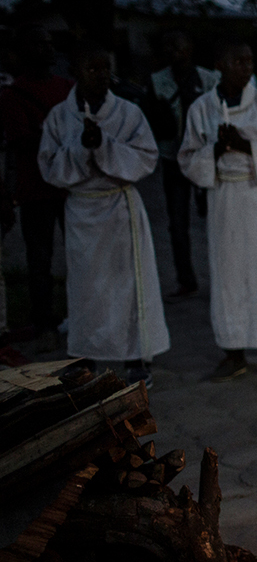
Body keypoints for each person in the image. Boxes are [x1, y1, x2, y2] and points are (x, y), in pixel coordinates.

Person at [37, 43, 168, 386]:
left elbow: (146, 157)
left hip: (120, 206)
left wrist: (106, 146)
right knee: (85, 287)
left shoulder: (128, 112)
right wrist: (81, 147)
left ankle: (136, 358)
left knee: (129, 284)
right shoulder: (58, 116)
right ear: (76, 72)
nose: (101, 75)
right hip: (82, 209)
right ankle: (84, 356)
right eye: (92, 69)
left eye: (105, 68)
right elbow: (48, 165)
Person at [177, 40, 257, 382]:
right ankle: (233, 351)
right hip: (225, 198)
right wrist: (217, 150)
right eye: (237, 61)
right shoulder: (202, 108)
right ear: (220, 62)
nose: (245, 68)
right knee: (228, 274)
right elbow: (187, 158)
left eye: (249, 61)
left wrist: (246, 146)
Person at [0, 24, 72, 339]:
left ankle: (79, 313)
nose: (49, 50)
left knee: (79, 253)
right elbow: (22, 140)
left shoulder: (67, 87)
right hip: (35, 189)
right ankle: (43, 322)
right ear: (24, 50)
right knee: (39, 260)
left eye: (50, 44)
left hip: (70, 187)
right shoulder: (12, 94)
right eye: (41, 44)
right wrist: (59, 134)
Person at [148, 32, 221, 302]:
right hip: (173, 159)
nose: (174, 51)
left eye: (179, 45)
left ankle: (223, 274)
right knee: (177, 225)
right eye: (170, 45)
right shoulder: (158, 81)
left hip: (204, 158)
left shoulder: (208, 79)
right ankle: (186, 280)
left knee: (215, 218)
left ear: (190, 48)